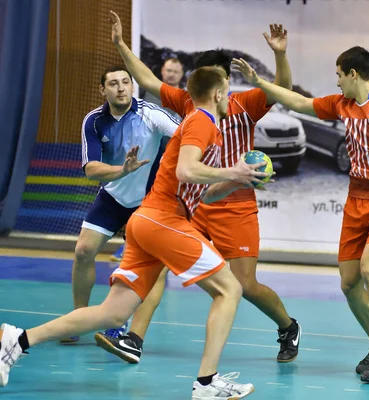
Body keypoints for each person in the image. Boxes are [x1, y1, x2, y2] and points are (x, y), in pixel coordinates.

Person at [0, 66, 268, 400]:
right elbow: (186, 170)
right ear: (217, 93)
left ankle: (17, 339)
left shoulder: (200, 124)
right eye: (227, 91)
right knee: (229, 289)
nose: (229, 97)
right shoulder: (202, 121)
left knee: (112, 313)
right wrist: (233, 168)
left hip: (147, 220)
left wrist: (235, 180)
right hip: (163, 219)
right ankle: (206, 383)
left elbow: (202, 190)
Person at [94, 11, 301, 365]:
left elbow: (282, 87)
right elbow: (145, 78)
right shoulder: (191, 103)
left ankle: (287, 325)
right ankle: (134, 339)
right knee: (156, 266)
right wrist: (120, 45)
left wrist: (280, 54)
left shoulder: (246, 103)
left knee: (245, 285)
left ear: (226, 82)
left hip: (235, 205)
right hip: (194, 205)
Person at [232, 46, 369, 384]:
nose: (337, 81)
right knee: (349, 282)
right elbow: (297, 102)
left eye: (339, 75)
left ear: (352, 74)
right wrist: (258, 82)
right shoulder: (341, 104)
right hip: (357, 200)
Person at [59, 66, 180, 344]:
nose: (121, 88)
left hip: (150, 200)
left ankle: (121, 323)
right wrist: (122, 171)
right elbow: (90, 169)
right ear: (103, 90)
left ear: (132, 86)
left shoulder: (151, 114)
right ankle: (79, 317)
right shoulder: (94, 121)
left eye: (126, 82)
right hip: (113, 195)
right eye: (113, 83)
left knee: (142, 265)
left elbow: (186, 136)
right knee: (83, 251)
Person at [110, 57, 184, 262]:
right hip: (144, 160)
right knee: (137, 201)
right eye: (168, 70)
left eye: (175, 71)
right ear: (162, 70)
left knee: (163, 205)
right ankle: (128, 245)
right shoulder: (147, 95)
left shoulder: (184, 99)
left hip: (170, 162)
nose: (171, 74)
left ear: (181, 75)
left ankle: (160, 247)